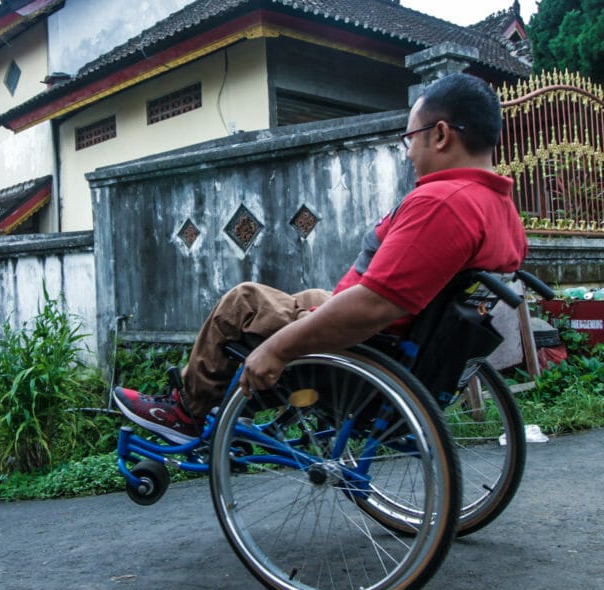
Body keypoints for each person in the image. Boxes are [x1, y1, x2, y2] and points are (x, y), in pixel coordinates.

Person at [113, 72, 529, 443]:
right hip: (406, 340)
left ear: (439, 135)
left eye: (410, 138)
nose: (407, 152)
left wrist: (277, 349)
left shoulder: (442, 203)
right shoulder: (500, 207)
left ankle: (187, 410)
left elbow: (375, 306)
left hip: (367, 346)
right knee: (310, 295)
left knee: (242, 302)